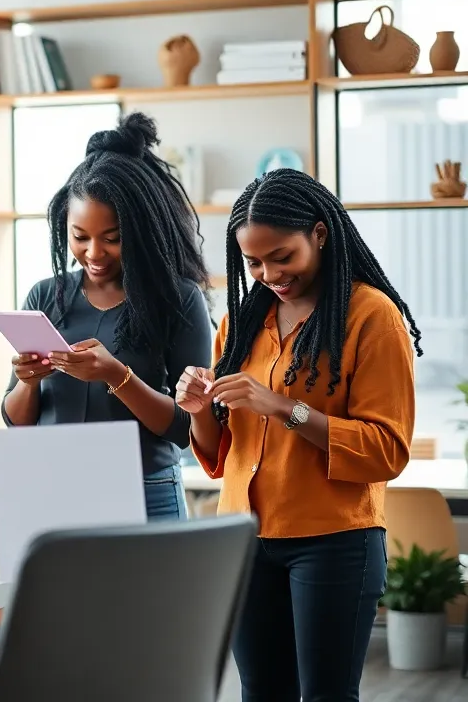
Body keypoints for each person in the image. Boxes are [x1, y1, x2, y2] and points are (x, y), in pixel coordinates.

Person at [177, 168, 420, 701]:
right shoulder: (239, 326)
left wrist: (285, 409)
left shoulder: (371, 317)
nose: (269, 274)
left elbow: (387, 449)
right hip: (242, 540)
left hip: (334, 542)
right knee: (261, 692)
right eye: (254, 262)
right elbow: (224, 454)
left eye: (282, 256)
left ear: (320, 233)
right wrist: (198, 410)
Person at [0, 112, 213, 520]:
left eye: (112, 239)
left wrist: (117, 375)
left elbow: (186, 428)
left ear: (141, 230)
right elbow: (17, 421)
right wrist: (27, 383)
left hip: (145, 492)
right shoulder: (46, 295)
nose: (94, 253)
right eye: (80, 237)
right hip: (52, 491)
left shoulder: (178, 299)